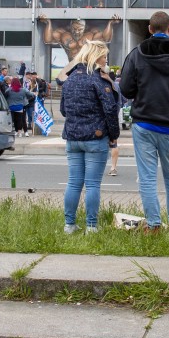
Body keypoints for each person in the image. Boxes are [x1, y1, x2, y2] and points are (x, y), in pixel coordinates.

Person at [119, 11, 169, 233]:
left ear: (150, 29)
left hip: (144, 124)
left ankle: (153, 226)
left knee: (147, 178)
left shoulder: (136, 54)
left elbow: (125, 88)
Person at [59, 40, 119, 233]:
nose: (106, 59)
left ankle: (69, 225)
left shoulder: (69, 80)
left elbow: (63, 110)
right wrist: (114, 135)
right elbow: (110, 109)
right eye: (104, 56)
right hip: (95, 137)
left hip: (73, 137)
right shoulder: (98, 80)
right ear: (95, 56)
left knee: (74, 182)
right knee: (92, 184)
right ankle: (91, 226)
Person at [37, 15, 120, 63]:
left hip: (86, 65)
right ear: (70, 27)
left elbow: (106, 39)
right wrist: (48, 22)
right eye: (74, 29)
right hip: (71, 65)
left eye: (80, 29)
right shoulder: (63, 34)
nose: (76, 32)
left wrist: (110, 23)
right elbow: (48, 40)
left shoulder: (91, 34)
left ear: (85, 28)